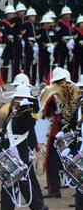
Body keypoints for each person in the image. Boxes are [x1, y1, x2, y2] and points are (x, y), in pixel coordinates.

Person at [0, 85, 49, 210]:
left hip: (21, 151)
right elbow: (6, 127)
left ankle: (39, 207)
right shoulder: (15, 111)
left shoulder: (29, 113)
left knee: (24, 183)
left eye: (20, 98)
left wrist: (29, 104)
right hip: (10, 149)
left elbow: (28, 124)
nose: (16, 100)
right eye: (16, 97)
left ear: (26, 99)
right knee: (7, 182)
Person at [39, 67, 80, 199]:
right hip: (73, 129)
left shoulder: (53, 92)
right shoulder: (75, 90)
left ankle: (54, 189)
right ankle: (74, 184)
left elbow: (44, 113)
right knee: (69, 158)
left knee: (51, 159)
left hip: (56, 129)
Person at [37, 15, 56, 84]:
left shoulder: (52, 31)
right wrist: (46, 45)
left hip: (51, 51)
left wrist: (53, 45)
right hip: (43, 52)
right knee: (42, 67)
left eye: (49, 23)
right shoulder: (39, 31)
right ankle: (41, 80)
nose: (48, 25)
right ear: (43, 23)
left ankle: (48, 80)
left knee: (50, 66)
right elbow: (38, 41)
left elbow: (56, 39)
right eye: (47, 23)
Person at [22, 7, 39, 86]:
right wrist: (29, 42)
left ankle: (34, 81)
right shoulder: (25, 25)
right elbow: (24, 36)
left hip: (35, 47)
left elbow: (38, 36)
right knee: (27, 65)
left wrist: (37, 43)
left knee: (35, 64)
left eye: (34, 16)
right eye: (31, 16)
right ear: (28, 18)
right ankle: (26, 80)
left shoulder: (36, 25)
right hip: (28, 47)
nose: (33, 18)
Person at [1, 5, 16, 84]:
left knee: (14, 62)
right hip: (6, 45)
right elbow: (3, 33)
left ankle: (14, 78)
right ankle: (4, 78)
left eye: (13, 13)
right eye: (10, 13)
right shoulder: (3, 23)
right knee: (6, 62)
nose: (12, 15)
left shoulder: (14, 22)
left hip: (13, 45)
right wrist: (7, 37)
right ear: (7, 14)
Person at [72, 15, 83, 82]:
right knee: (76, 67)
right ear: (79, 24)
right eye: (82, 23)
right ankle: (75, 80)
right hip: (77, 52)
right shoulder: (76, 32)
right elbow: (74, 40)